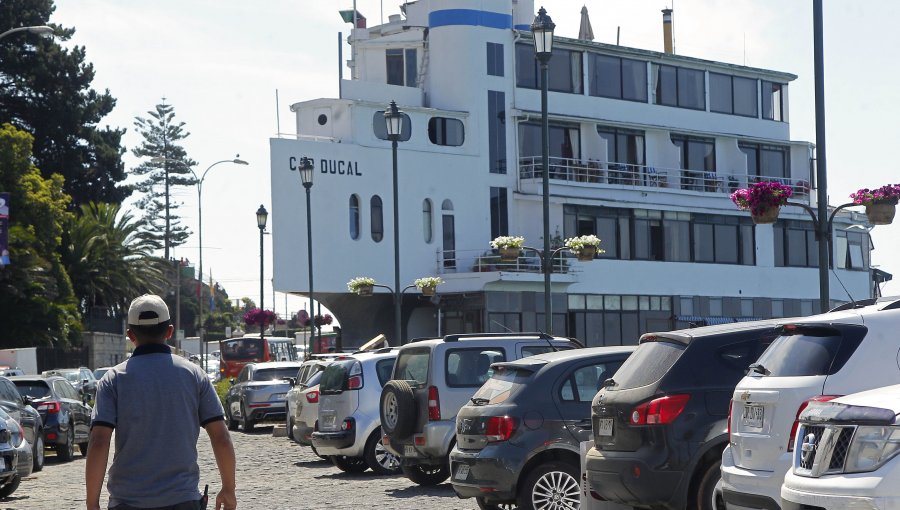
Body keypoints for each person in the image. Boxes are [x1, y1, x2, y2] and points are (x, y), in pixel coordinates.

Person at [85, 294, 237, 510]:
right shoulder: (195, 375)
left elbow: (99, 441)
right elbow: (221, 437)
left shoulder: (113, 379)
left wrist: (92, 504)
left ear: (130, 335)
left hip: (127, 502)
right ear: (169, 331)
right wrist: (228, 489)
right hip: (183, 501)